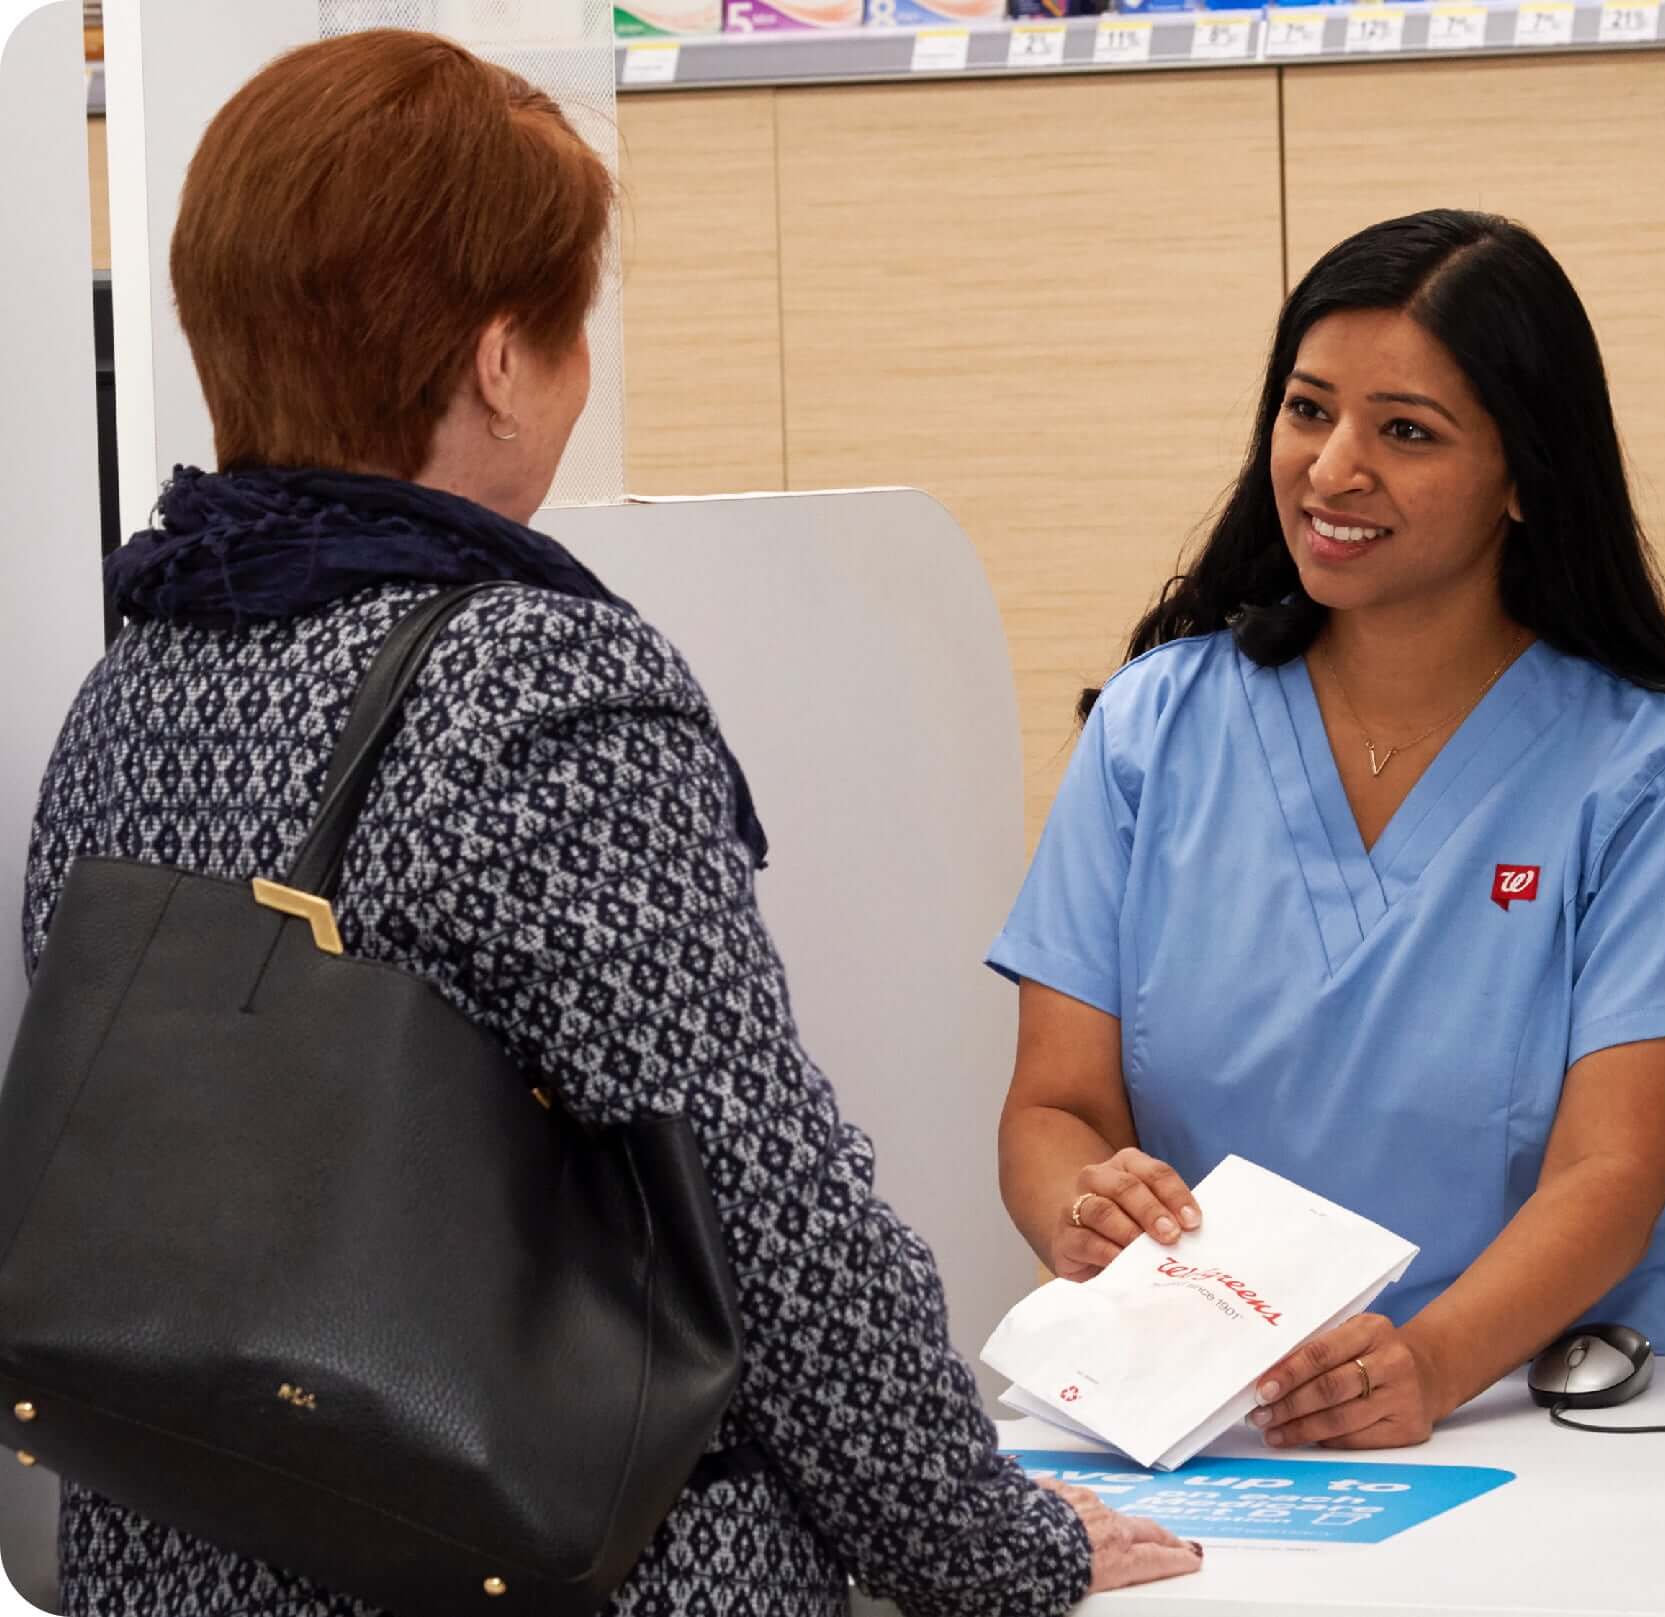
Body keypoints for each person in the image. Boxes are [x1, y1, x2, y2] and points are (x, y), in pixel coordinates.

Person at [23, 30, 1202, 1617]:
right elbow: (760, 1208)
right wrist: (989, 1546)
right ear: (503, 360)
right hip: (542, 1556)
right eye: (573, 328)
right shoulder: (535, 683)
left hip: (179, 1545)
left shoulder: (143, 668)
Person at [993, 209, 1665, 1454]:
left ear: (1526, 473)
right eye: (1309, 411)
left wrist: (1428, 1365)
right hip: (1212, 1409)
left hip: (1554, 1407)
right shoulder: (1156, 725)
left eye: (1406, 431)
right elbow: (1055, 1108)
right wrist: (1080, 1208)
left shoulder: (1662, 776)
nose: (1332, 468)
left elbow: (1609, 1179)